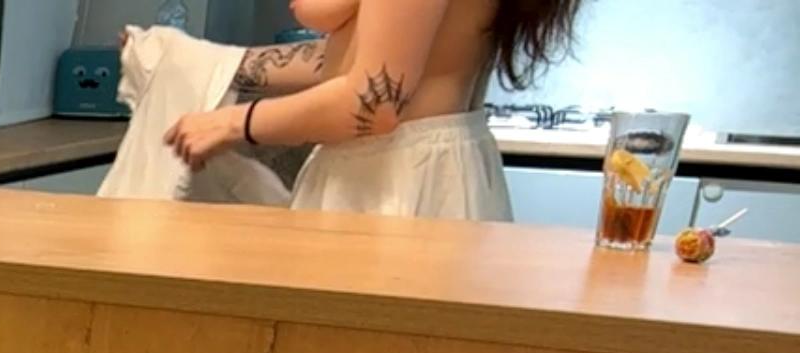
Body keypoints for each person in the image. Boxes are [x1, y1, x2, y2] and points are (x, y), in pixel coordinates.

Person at [161, 0, 582, 221]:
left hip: (397, 178)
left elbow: (373, 102)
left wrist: (233, 122)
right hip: (427, 168)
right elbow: (365, 56)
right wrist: (208, 64)